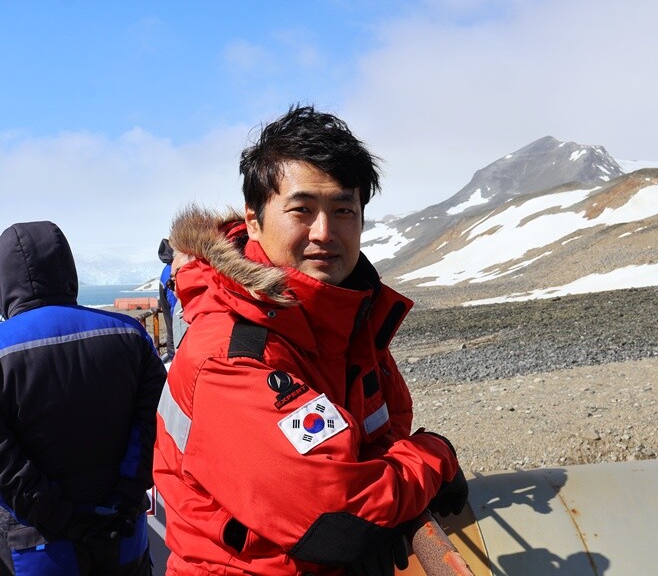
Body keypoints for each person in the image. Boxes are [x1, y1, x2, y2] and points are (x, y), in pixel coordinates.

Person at [154, 105, 468, 576]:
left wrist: (394, 476)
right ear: (255, 219)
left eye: (343, 210)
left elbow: (380, 439)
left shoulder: (348, 322)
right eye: (302, 210)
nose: (324, 233)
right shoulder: (231, 355)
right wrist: (435, 456)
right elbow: (338, 521)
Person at [0, 221, 167, 575]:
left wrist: (62, 517)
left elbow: (5, 464)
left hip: (38, 544)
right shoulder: (131, 335)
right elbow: (153, 423)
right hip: (122, 529)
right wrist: (125, 495)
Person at [157, 238, 178, 362]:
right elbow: (175, 307)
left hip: (171, 331)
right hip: (175, 335)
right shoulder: (172, 272)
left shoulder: (166, 270)